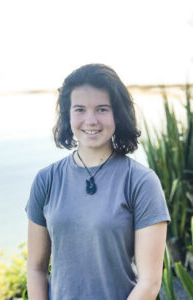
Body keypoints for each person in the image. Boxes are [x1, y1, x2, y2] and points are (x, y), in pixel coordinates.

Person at [25, 63, 171, 300]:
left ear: (118, 113)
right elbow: (36, 269)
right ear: (67, 114)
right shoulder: (46, 180)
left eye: (102, 109)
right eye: (80, 109)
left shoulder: (141, 182)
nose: (90, 120)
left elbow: (150, 282)